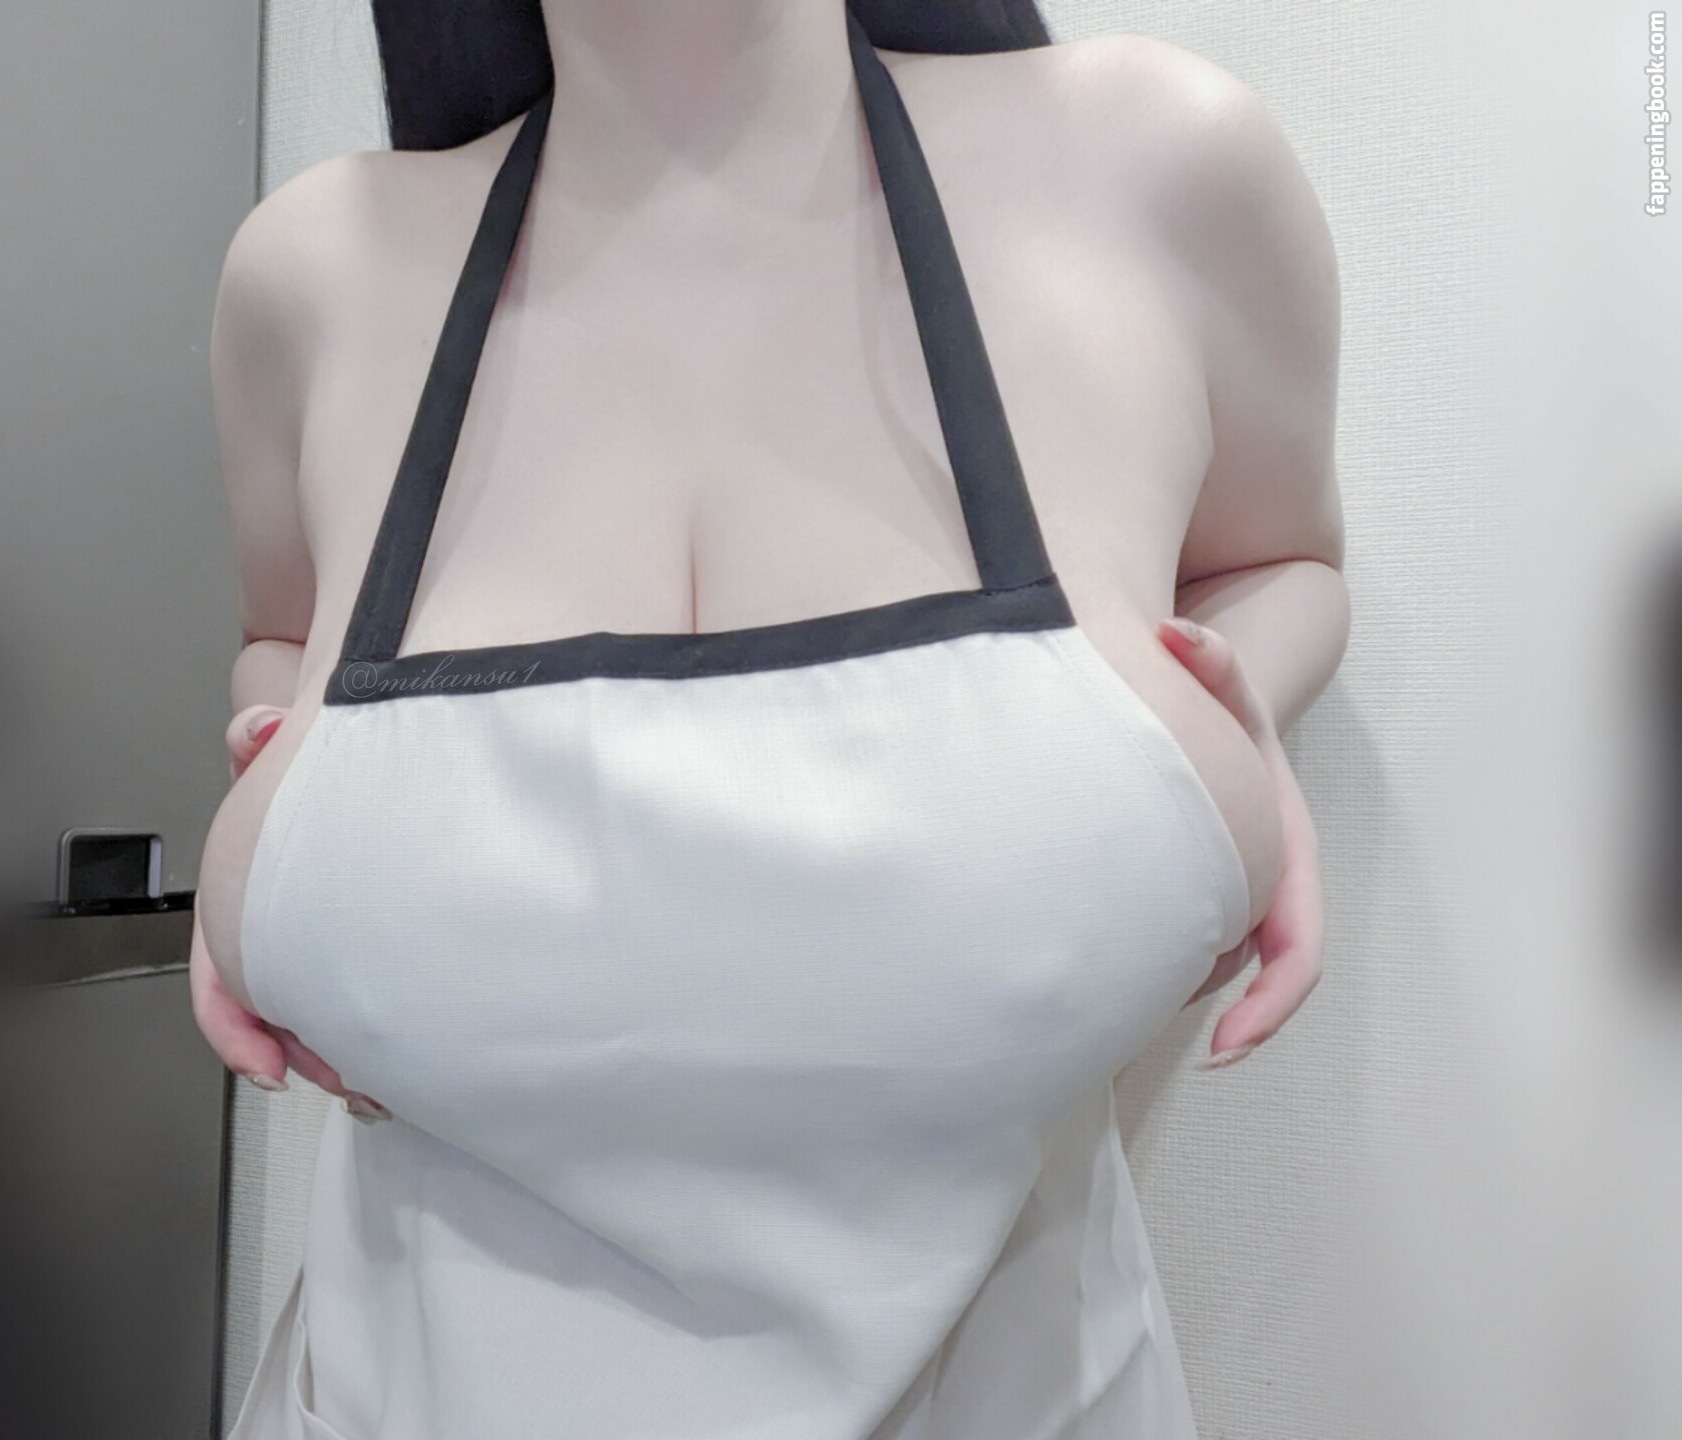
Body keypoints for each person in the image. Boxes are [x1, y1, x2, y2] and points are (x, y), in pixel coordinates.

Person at [192, 2, 1347, 1434]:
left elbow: (1277, 561)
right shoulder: (312, 273)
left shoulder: (1155, 165)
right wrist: (287, 817)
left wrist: (1242, 717)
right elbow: (281, 643)